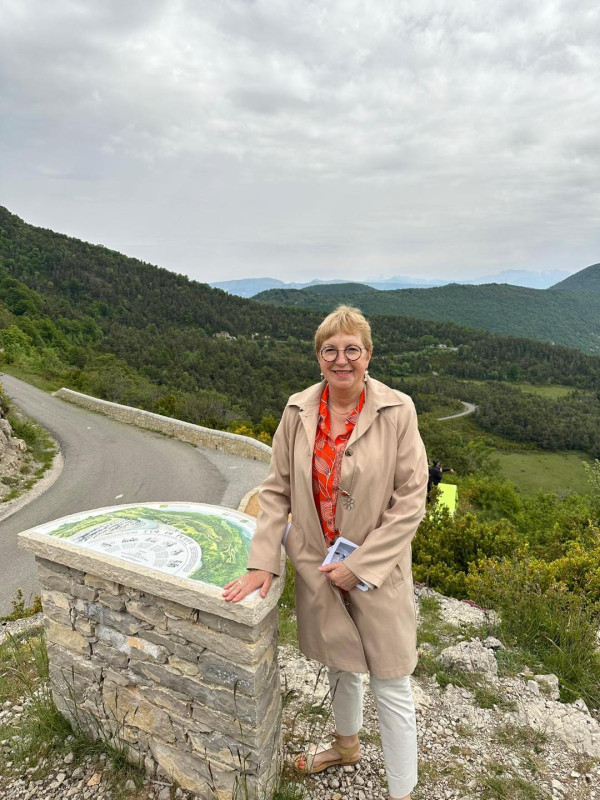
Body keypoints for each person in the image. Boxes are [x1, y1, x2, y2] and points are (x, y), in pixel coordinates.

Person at [223, 305, 428, 800]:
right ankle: (346, 747)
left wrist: (359, 566)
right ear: (318, 357)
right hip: (317, 560)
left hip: (377, 569)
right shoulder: (297, 411)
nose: (342, 359)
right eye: (330, 350)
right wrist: (262, 562)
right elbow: (276, 491)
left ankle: (403, 791)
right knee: (341, 662)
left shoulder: (398, 411)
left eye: (351, 349)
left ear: (368, 355)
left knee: (391, 680)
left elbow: (411, 498)